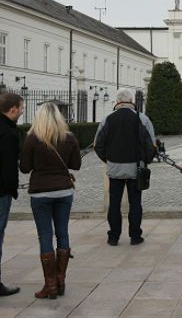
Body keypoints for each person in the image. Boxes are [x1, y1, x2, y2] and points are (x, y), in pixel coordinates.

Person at [20, 102, 81, 299]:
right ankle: (61, 280)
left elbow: (25, 168)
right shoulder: (69, 138)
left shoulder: (32, 139)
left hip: (40, 193)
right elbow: (76, 165)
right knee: (63, 233)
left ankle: (50, 284)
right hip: (63, 191)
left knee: (45, 236)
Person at [94, 89, 155, 246]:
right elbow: (151, 145)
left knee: (114, 203)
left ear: (117, 101)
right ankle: (135, 236)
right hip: (135, 167)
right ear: (131, 100)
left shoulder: (107, 119)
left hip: (114, 168)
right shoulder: (142, 118)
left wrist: (108, 159)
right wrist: (145, 161)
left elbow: (98, 144)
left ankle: (113, 236)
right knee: (135, 203)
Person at [0, 92, 24, 296]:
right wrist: (11, 189)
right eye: (21, 108)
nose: (22, 111)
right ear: (13, 109)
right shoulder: (7, 133)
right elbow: (9, 167)